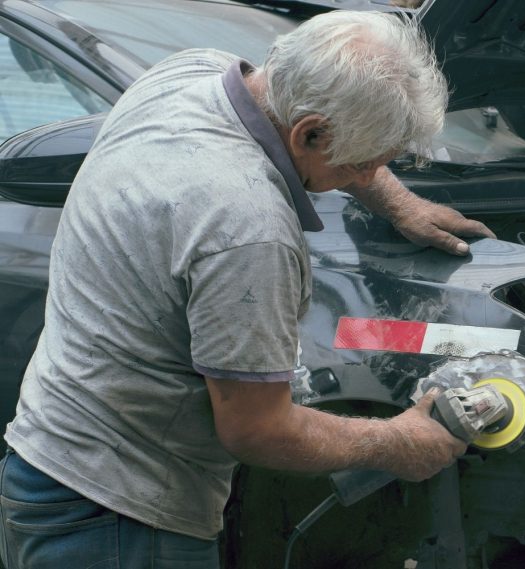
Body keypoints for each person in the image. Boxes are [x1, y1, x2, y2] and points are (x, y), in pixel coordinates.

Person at [0, 10, 495, 569]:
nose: (364, 178)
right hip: (123, 514)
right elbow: (258, 430)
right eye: (362, 164)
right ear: (309, 132)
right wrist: (398, 443)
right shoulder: (248, 229)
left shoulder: (189, 74)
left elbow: (302, 123)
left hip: (49, 457)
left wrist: (398, 201)